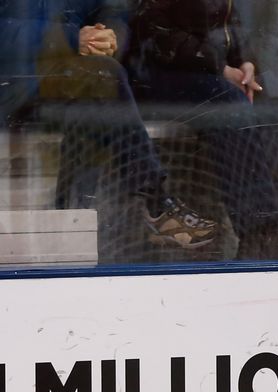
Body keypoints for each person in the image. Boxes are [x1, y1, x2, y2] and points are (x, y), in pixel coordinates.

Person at [0, 0, 217, 249]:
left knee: (97, 87)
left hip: (66, 83)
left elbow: (113, 9)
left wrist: (110, 37)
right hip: (14, 88)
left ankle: (70, 227)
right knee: (101, 79)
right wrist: (71, 39)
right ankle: (156, 203)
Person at [124, 0, 278, 259]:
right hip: (157, 75)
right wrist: (219, 67)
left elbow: (231, 25)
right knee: (228, 103)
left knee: (269, 108)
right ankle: (258, 231)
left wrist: (245, 63)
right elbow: (155, 31)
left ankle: (276, 227)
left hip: (209, 72)